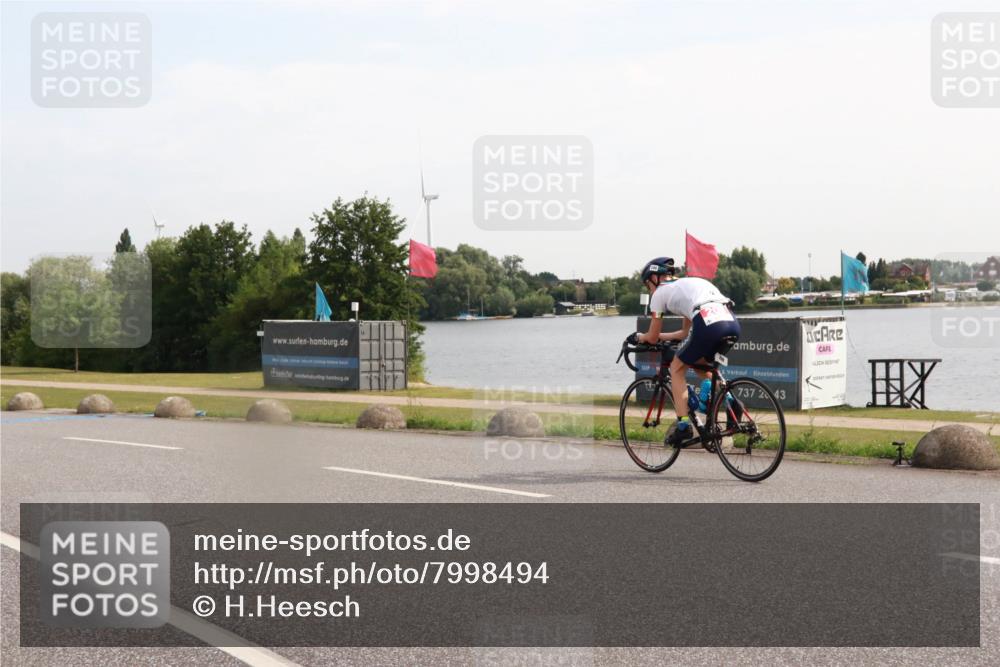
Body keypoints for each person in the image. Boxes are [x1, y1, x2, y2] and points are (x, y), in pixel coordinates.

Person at [627, 257, 741, 445]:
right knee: (701, 366)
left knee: (677, 369)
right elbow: (683, 334)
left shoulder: (660, 294)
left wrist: (639, 337)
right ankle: (732, 403)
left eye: (648, 284)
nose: (649, 289)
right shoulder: (687, 285)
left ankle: (683, 427)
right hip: (731, 322)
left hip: (707, 323)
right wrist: (660, 337)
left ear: (654, 278)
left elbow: (652, 337)